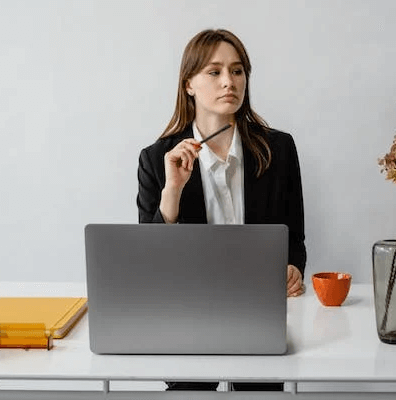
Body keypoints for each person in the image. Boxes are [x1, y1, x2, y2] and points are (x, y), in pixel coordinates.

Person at [137, 28, 306, 392]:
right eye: (214, 72)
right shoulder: (156, 159)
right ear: (189, 85)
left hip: (260, 313)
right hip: (189, 318)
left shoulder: (279, 149)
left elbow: (295, 237)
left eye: (237, 70)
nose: (229, 81)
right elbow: (150, 264)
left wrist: (293, 267)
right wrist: (173, 192)